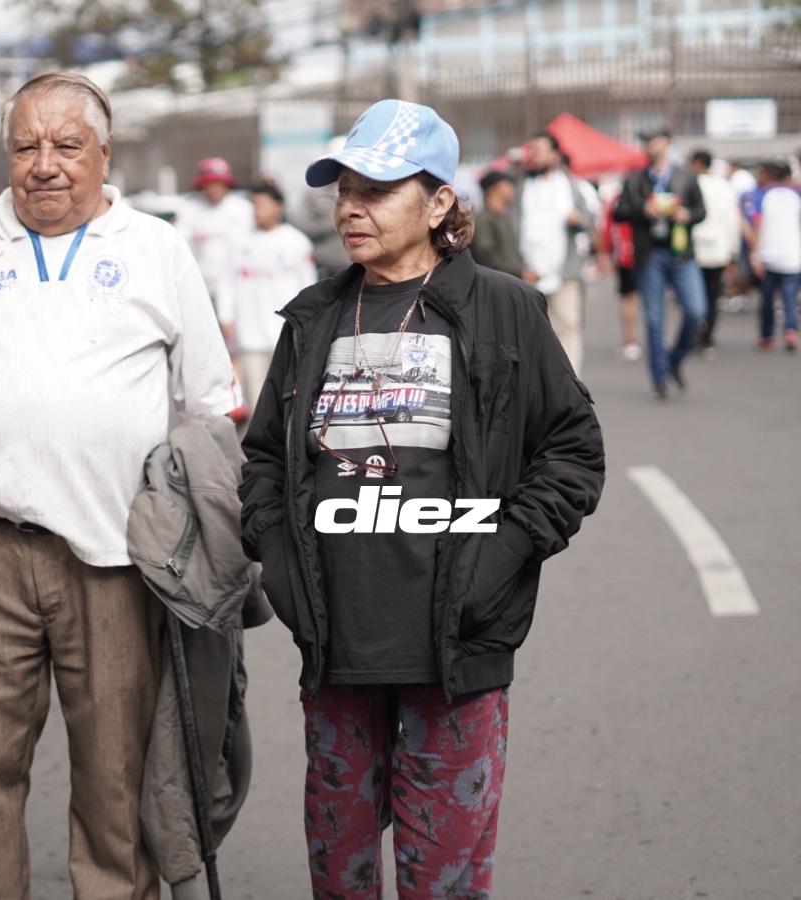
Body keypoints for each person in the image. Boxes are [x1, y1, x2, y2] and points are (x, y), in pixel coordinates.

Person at [0, 72, 242, 900]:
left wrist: (203, 559)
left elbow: (208, 413)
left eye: (67, 145)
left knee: (116, 784)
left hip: (116, 559)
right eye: (26, 146)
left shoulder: (156, 249)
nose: (45, 164)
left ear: (105, 154)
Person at [239, 99, 605, 900]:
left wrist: (498, 559)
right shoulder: (315, 318)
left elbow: (574, 451)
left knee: (441, 881)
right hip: (338, 647)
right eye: (343, 189)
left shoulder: (502, 309)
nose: (351, 208)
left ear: (440, 203)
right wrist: (279, 564)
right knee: (340, 877)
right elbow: (265, 455)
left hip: (455, 650)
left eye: (377, 189)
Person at [613, 127, 707, 400]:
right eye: (646, 142)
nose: (649, 146)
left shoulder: (685, 175)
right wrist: (643, 208)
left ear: (667, 142)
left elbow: (701, 211)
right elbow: (619, 213)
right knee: (654, 319)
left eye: (654, 141)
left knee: (695, 311)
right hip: (649, 254)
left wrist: (686, 214)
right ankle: (659, 377)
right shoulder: (635, 178)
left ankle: (674, 360)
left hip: (681, 252)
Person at [221, 180, 316, 412]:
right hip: (250, 333)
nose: (257, 210)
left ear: (278, 207)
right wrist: (226, 316)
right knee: (257, 398)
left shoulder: (295, 241)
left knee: (286, 396)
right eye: (254, 205)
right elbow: (228, 281)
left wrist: (308, 323)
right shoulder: (240, 241)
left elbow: (308, 286)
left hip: (284, 332)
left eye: (262, 204)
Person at [515, 131, 595, 374]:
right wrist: (519, 267)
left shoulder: (571, 185)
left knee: (568, 328)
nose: (534, 156)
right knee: (529, 333)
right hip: (527, 273)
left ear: (555, 155)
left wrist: (578, 219)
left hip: (564, 271)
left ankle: (572, 387)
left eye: (539, 150)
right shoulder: (521, 186)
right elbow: (511, 226)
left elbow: (588, 219)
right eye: (532, 151)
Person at [176, 155, 255, 315]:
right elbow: (177, 243)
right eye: (210, 183)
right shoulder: (189, 209)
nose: (214, 189)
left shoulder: (243, 209)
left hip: (239, 285)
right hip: (201, 287)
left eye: (219, 183)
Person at [690, 150, 742, 358]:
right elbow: (732, 220)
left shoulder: (691, 183)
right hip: (718, 249)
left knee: (694, 297)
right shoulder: (723, 186)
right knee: (712, 295)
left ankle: (695, 333)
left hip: (693, 249)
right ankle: (707, 338)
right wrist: (733, 251)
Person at [744, 161, 801, 352]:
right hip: (793, 257)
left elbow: (757, 225)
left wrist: (754, 253)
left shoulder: (762, 195)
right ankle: (791, 330)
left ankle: (767, 335)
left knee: (767, 300)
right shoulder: (796, 194)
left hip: (769, 256)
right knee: (790, 299)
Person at [598, 189, 642, 362]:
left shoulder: (616, 201)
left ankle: (631, 340)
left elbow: (607, 229)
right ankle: (631, 339)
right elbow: (608, 229)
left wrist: (607, 253)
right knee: (630, 298)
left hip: (630, 255)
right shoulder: (621, 201)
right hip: (630, 255)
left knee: (629, 298)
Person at [469, 170, 525, 278]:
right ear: (492, 190)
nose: (511, 189)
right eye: (506, 185)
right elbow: (486, 257)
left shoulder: (506, 218)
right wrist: (519, 273)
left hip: (511, 282)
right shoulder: (483, 219)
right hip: (494, 285)